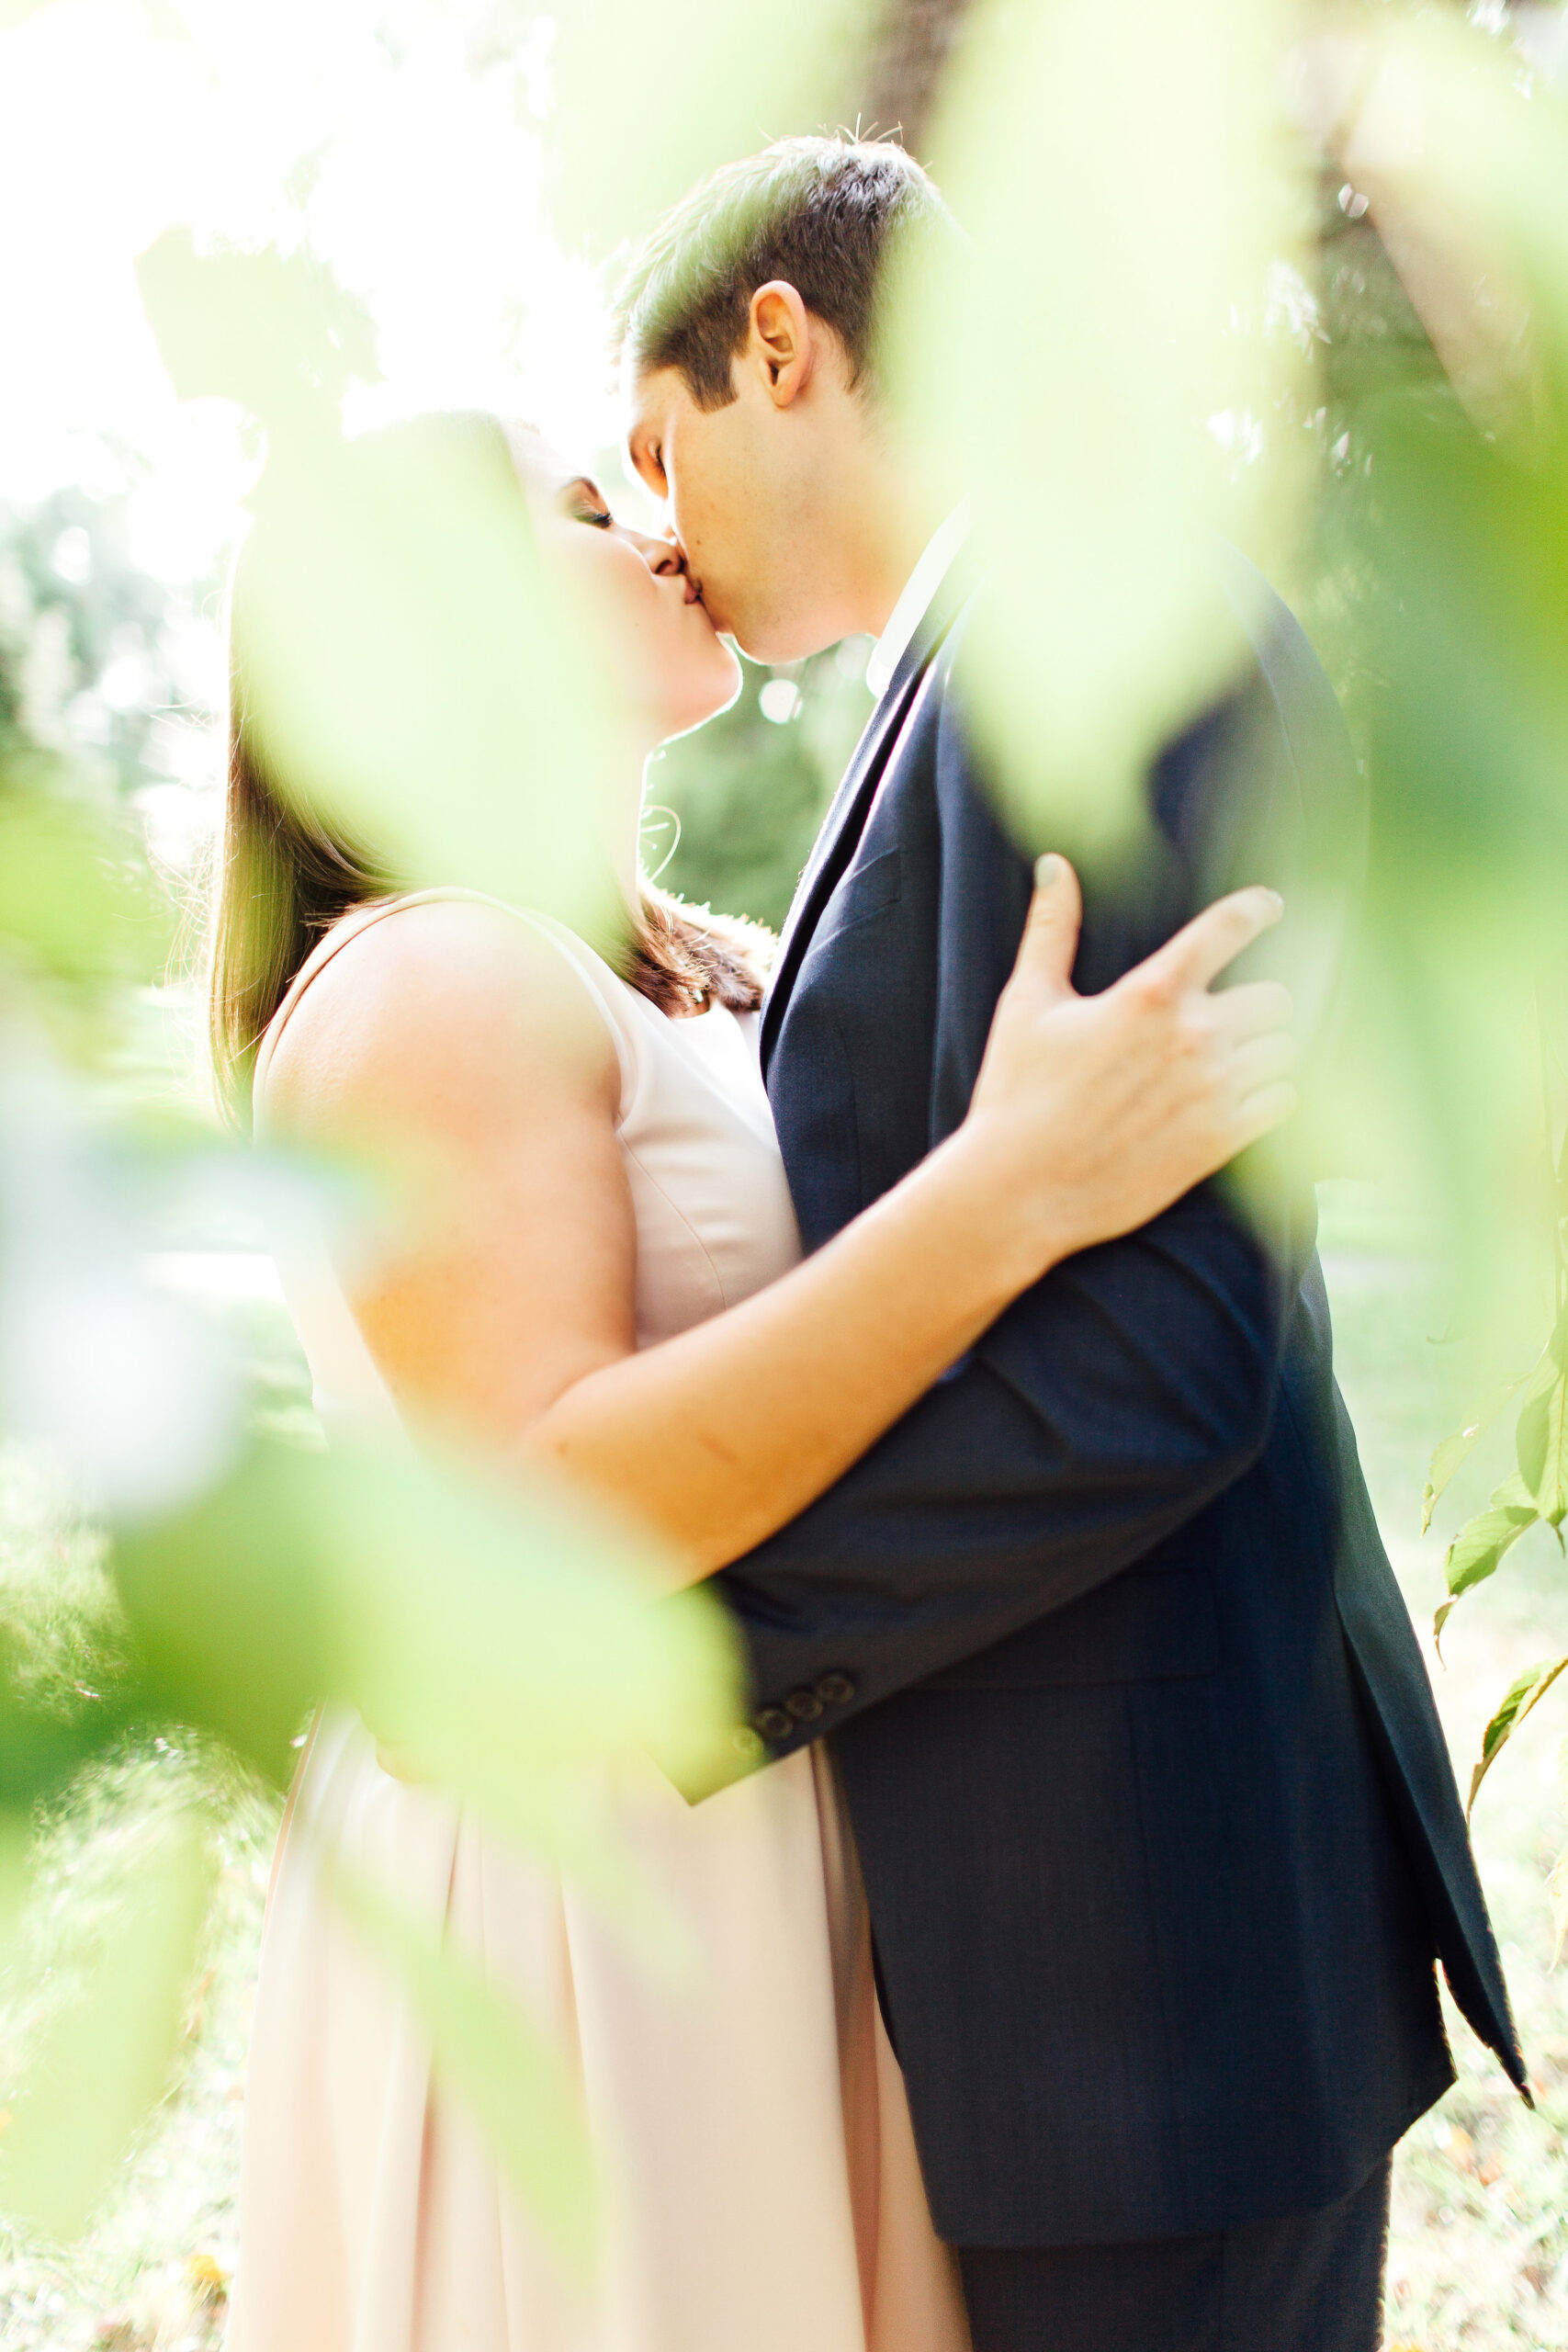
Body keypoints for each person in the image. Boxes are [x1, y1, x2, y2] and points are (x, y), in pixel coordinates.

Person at [218, 413, 1297, 2352]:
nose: (641, 521)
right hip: (585, 1893)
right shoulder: (433, 982)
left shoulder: (649, 974)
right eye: (565, 506)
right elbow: (551, 1495)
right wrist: (1010, 1185)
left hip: (727, 1837)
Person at [617, 134, 1528, 2352]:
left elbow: (1169, 1351)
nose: (656, 526)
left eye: (655, 453)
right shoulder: (980, 647)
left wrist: (713, 1640)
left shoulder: (1095, 636)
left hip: (1157, 1968)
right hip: (1103, 1949)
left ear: (778, 345)